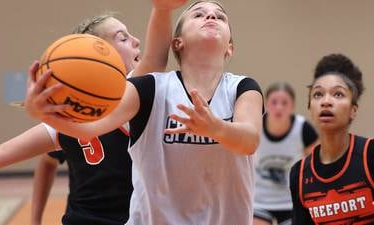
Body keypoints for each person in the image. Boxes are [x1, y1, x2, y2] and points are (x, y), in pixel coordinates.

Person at [25, 1, 264, 224]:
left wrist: (216, 128)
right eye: (198, 14)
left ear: (230, 48)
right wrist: (46, 114)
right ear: (177, 42)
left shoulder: (243, 88)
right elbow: (90, 128)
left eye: (220, 17)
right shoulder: (150, 88)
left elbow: (249, 140)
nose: (211, 15)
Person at [0, 1, 187, 225]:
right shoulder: (114, 100)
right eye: (123, 38)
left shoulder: (65, 117)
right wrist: (162, 9)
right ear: (96, 53)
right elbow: (155, 58)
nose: (136, 41)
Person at [289, 53, 374, 224]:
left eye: (338, 94)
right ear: (310, 109)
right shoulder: (299, 174)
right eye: (318, 94)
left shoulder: (369, 155)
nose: (326, 101)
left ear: (353, 110)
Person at [253, 82, 318, 225]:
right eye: (274, 102)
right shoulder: (254, 125)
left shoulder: (303, 129)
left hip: (291, 201)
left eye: (284, 103)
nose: (279, 107)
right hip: (259, 201)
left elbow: (317, 166)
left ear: (292, 106)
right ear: (266, 104)